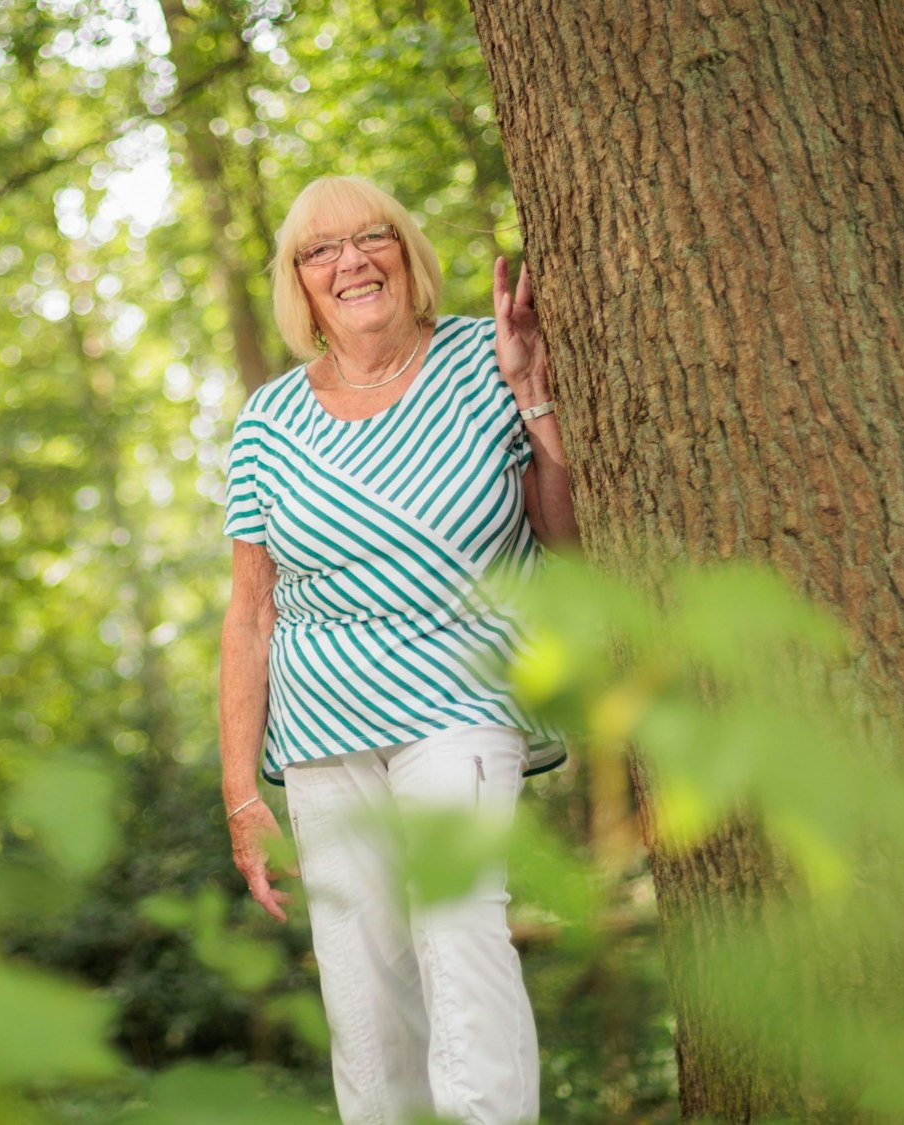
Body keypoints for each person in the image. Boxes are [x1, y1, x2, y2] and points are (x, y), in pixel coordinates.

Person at [217, 175, 578, 1125]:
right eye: (322, 250)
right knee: (362, 983)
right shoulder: (268, 421)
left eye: (372, 237)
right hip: (323, 723)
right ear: (299, 282)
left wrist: (536, 398)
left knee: (459, 928)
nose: (352, 262)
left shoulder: (481, 357)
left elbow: (570, 542)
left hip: (465, 694)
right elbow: (250, 614)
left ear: (406, 254)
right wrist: (241, 793)